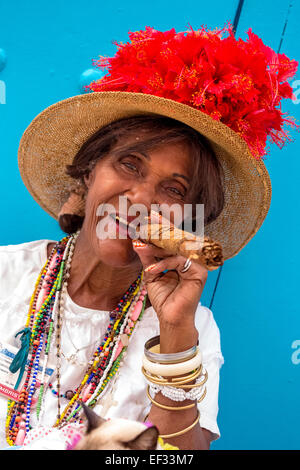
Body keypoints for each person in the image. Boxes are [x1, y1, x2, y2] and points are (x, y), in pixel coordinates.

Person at [0, 23, 297, 450]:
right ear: (88, 171)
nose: (141, 199)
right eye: (129, 165)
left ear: (187, 222)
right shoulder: (7, 275)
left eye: (174, 190)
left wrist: (175, 332)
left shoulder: (194, 330)